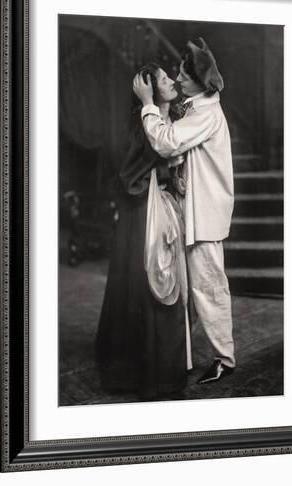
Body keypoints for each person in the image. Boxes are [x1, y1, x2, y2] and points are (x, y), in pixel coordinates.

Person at [133, 38, 236, 384]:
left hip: (204, 214)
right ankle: (190, 354)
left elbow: (166, 142)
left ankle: (225, 358)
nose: (176, 79)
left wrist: (148, 105)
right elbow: (181, 153)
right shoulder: (198, 107)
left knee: (208, 287)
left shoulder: (206, 112)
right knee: (200, 287)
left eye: (181, 74)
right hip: (197, 208)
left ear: (197, 81)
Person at [96, 62, 191, 401]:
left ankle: (169, 366)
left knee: (172, 281)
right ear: (149, 89)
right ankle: (146, 370)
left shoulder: (176, 121)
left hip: (167, 209)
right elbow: (131, 171)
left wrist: (176, 180)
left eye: (169, 77)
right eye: (164, 79)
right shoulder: (141, 125)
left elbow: (170, 159)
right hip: (144, 214)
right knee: (146, 283)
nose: (172, 81)